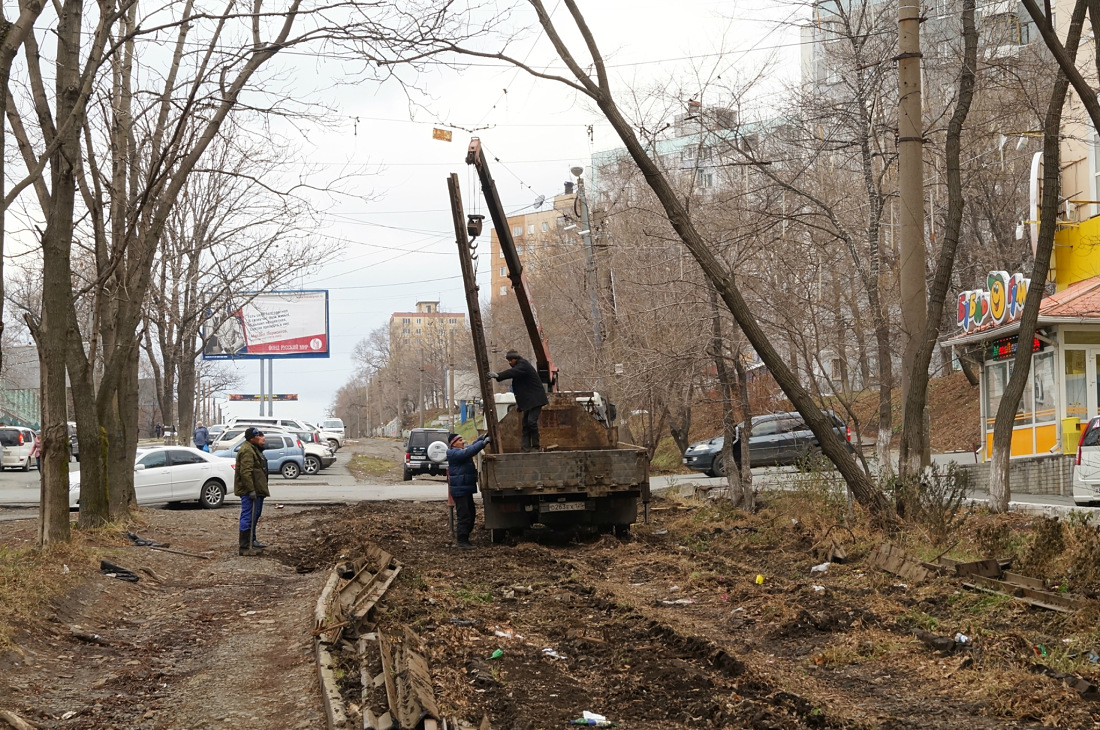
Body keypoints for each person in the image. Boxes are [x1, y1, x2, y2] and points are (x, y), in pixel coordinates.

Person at [488, 350, 549, 452]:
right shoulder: (520, 368)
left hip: (536, 400)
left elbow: (512, 372)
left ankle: (536, 446)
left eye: (510, 361)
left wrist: (498, 375)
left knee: (531, 422)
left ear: (515, 359)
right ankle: (525, 448)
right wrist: (521, 405)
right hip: (530, 401)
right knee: (525, 424)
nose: (509, 363)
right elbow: (522, 390)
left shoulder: (523, 365)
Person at [446, 432, 490, 548]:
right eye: (460, 440)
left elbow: (471, 447)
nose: (463, 441)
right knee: (464, 516)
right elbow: (469, 452)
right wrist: (483, 443)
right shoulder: (453, 453)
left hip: (465, 489)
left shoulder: (459, 451)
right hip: (460, 490)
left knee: (471, 514)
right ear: (454, 444)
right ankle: (462, 541)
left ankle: (465, 537)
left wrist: (481, 438)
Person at [234, 427, 269, 556]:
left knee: (254, 515)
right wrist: (251, 490)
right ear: (251, 438)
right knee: (248, 516)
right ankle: (244, 546)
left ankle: (252, 541)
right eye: (257, 435)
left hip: (256, 489)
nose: (260, 437)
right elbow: (245, 472)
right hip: (250, 491)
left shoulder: (253, 448)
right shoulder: (247, 450)